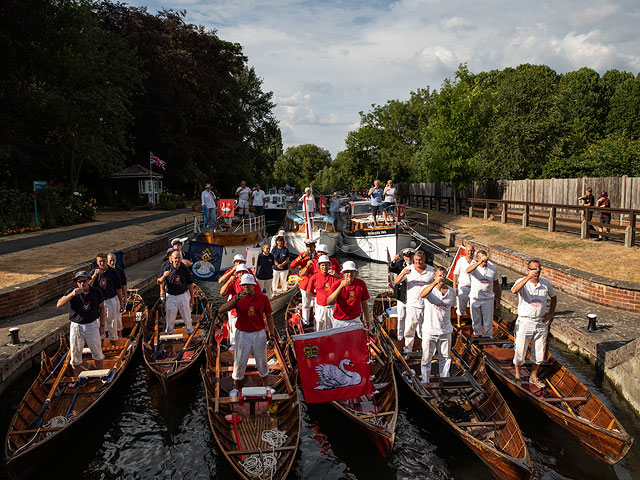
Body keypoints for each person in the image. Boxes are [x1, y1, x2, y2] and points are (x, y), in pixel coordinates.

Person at [219, 273, 275, 396]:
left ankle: (266, 385)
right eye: (244, 285)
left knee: (262, 359)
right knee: (240, 359)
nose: (246, 288)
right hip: (243, 333)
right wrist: (235, 299)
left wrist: (272, 334)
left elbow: (269, 316)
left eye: (248, 286)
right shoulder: (238, 298)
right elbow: (221, 310)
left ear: (254, 286)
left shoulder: (263, 298)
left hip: (259, 333)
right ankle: (235, 386)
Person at [511, 260, 557, 389]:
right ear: (528, 270)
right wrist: (528, 277)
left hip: (541, 321)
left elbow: (554, 297)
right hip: (525, 321)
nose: (536, 272)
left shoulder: (545, 283)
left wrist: (550, 313)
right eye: (533, 269)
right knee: (520, 349)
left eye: (538, 270)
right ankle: (518, 375)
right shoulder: (522, 282)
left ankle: (534, 376)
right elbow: (514, 291)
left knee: (539, 351)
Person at [57, 271, 106, 377]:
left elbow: (102, 308)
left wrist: (102, 325)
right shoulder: (72, 292)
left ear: (89, 280)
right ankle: (77, 378)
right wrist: (72, 294)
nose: (82, 284)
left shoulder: (96, 292)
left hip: (92, 324)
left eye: (84, 281)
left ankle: (101, 376)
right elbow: (59, 304)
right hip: (77, 326)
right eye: (79, 282)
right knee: (75, 353)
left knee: (97, 351)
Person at [393, 250, 434, 354]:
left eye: (420, 260)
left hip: (427, 305)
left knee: (426, 330)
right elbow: (396, 281)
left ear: (424, 260)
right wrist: (403, 273)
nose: (418, 262)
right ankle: (408, 350)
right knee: (409, 330)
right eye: (416, 260)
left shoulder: (431, 271)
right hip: (412, 305)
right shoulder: (408, 269)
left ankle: (425, 349)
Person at [419, 267, 455, 383]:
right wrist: (435, 283)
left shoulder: (452, 292)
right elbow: (422, 295)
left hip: (445, 331)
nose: (442, 277)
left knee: (445, 358)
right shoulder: (429, 290)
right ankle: (425, 381)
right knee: (426, 358)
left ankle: (445, 381)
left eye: (444, 275)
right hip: (430, 331)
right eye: (440, 275)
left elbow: (452, 306)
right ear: (434, 276)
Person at [157, 250, 195, 334]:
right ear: (171, 259)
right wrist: (164, 276)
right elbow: (158, 281)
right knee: (170, 316)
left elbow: (190, 283)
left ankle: (189, 330)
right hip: (171, 296)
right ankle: (169, 331)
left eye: (178, 258)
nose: (177, 260)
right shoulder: (166, 267)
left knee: (187, 315)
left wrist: (192, 298)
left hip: (183, 295)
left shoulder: (184, 268)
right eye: (175, 258)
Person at [90, 253, 124, 344]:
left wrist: (121, 303)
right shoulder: (94, 272)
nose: (102, 263)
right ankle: (101, 342)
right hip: (99, 301)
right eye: (100, 261)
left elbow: (118, 288)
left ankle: (113, 341)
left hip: (111, 299)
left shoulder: (113, 272)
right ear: (97, 262)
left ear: (106, 261)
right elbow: (87, 286)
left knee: (112, 322)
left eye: (104, 261)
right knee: (99, 323)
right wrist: (94, 276)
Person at [466, 250, 500, 337]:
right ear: (477, 258)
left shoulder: (493, 269)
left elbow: (496, 284)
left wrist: (498, 300)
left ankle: (488, 336)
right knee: (476, 319)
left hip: (488, 299)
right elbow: (468, 270)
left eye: (485, 258)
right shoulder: (474, 267)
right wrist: (479, 262)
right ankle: (477, 335)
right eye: (481, 258)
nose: (484, 260)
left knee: (488, 320)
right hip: (475, 298)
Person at [327, 261, 371, 328]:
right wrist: (340, 287)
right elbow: (329, 302)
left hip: (355, 320)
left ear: (355, 272)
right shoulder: (336, 284)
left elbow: (364, 304)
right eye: (347, 272)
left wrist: (368, 322)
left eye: (352, 272)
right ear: (343, 273)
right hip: (340, 321)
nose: (349, 274)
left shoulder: (361, 284)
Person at [305, 255, 340, 331]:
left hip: (332, 307)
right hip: (320, 307)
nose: (324, 267)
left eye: (326, 265)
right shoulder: (314, 277)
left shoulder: (334, 276)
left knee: (333, 327)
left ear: (329, 266)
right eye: (322, 265)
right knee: (319, 326)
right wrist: (317, 295)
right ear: (319, 266)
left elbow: (346, 282)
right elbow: (308, 292)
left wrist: (336, 275)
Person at [389, 248, 414, 340]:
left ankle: (412, 335)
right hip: (402, 294)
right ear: (404, 257)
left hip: (413, 295)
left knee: (412, 318)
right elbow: (391, 268)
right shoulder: (401, 265)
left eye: (410, 256)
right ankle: (400, 336)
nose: (409, 258)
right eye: (407, 256)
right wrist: (394, 260)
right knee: (401, 317)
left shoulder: (416, 265)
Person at [290, 240, 317, 326]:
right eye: (308, 247)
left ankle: (316, 321)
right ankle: (306, 322)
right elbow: (292, 265)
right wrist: (302, 257)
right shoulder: (302, 255)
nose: (309, 249)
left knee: (317, 304)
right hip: (305, 282)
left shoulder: (318, 256)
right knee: (305, 304)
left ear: (314, 247)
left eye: (311, 247)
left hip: (316, 283)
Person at [452, 242, 475, 322]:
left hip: (474, 288)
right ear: (465, 252)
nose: (470, 253)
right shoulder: (461, 261)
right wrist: (454, 287)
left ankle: (473, 323)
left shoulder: (476, 262)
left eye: (472, 251)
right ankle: (458, 323)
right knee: (460, 306)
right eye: (468, 251)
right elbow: (455, 274)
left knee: (474, 306)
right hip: (463, 286)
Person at [107, 253, 127, 338]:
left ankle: (120, 335)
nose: (112, 263)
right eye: (110, 261)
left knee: (118, 317)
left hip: (116, 297)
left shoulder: (119, 271)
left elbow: (123, 285)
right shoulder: (103, 272)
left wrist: (125, 297)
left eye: (113, 261)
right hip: (106, 298)